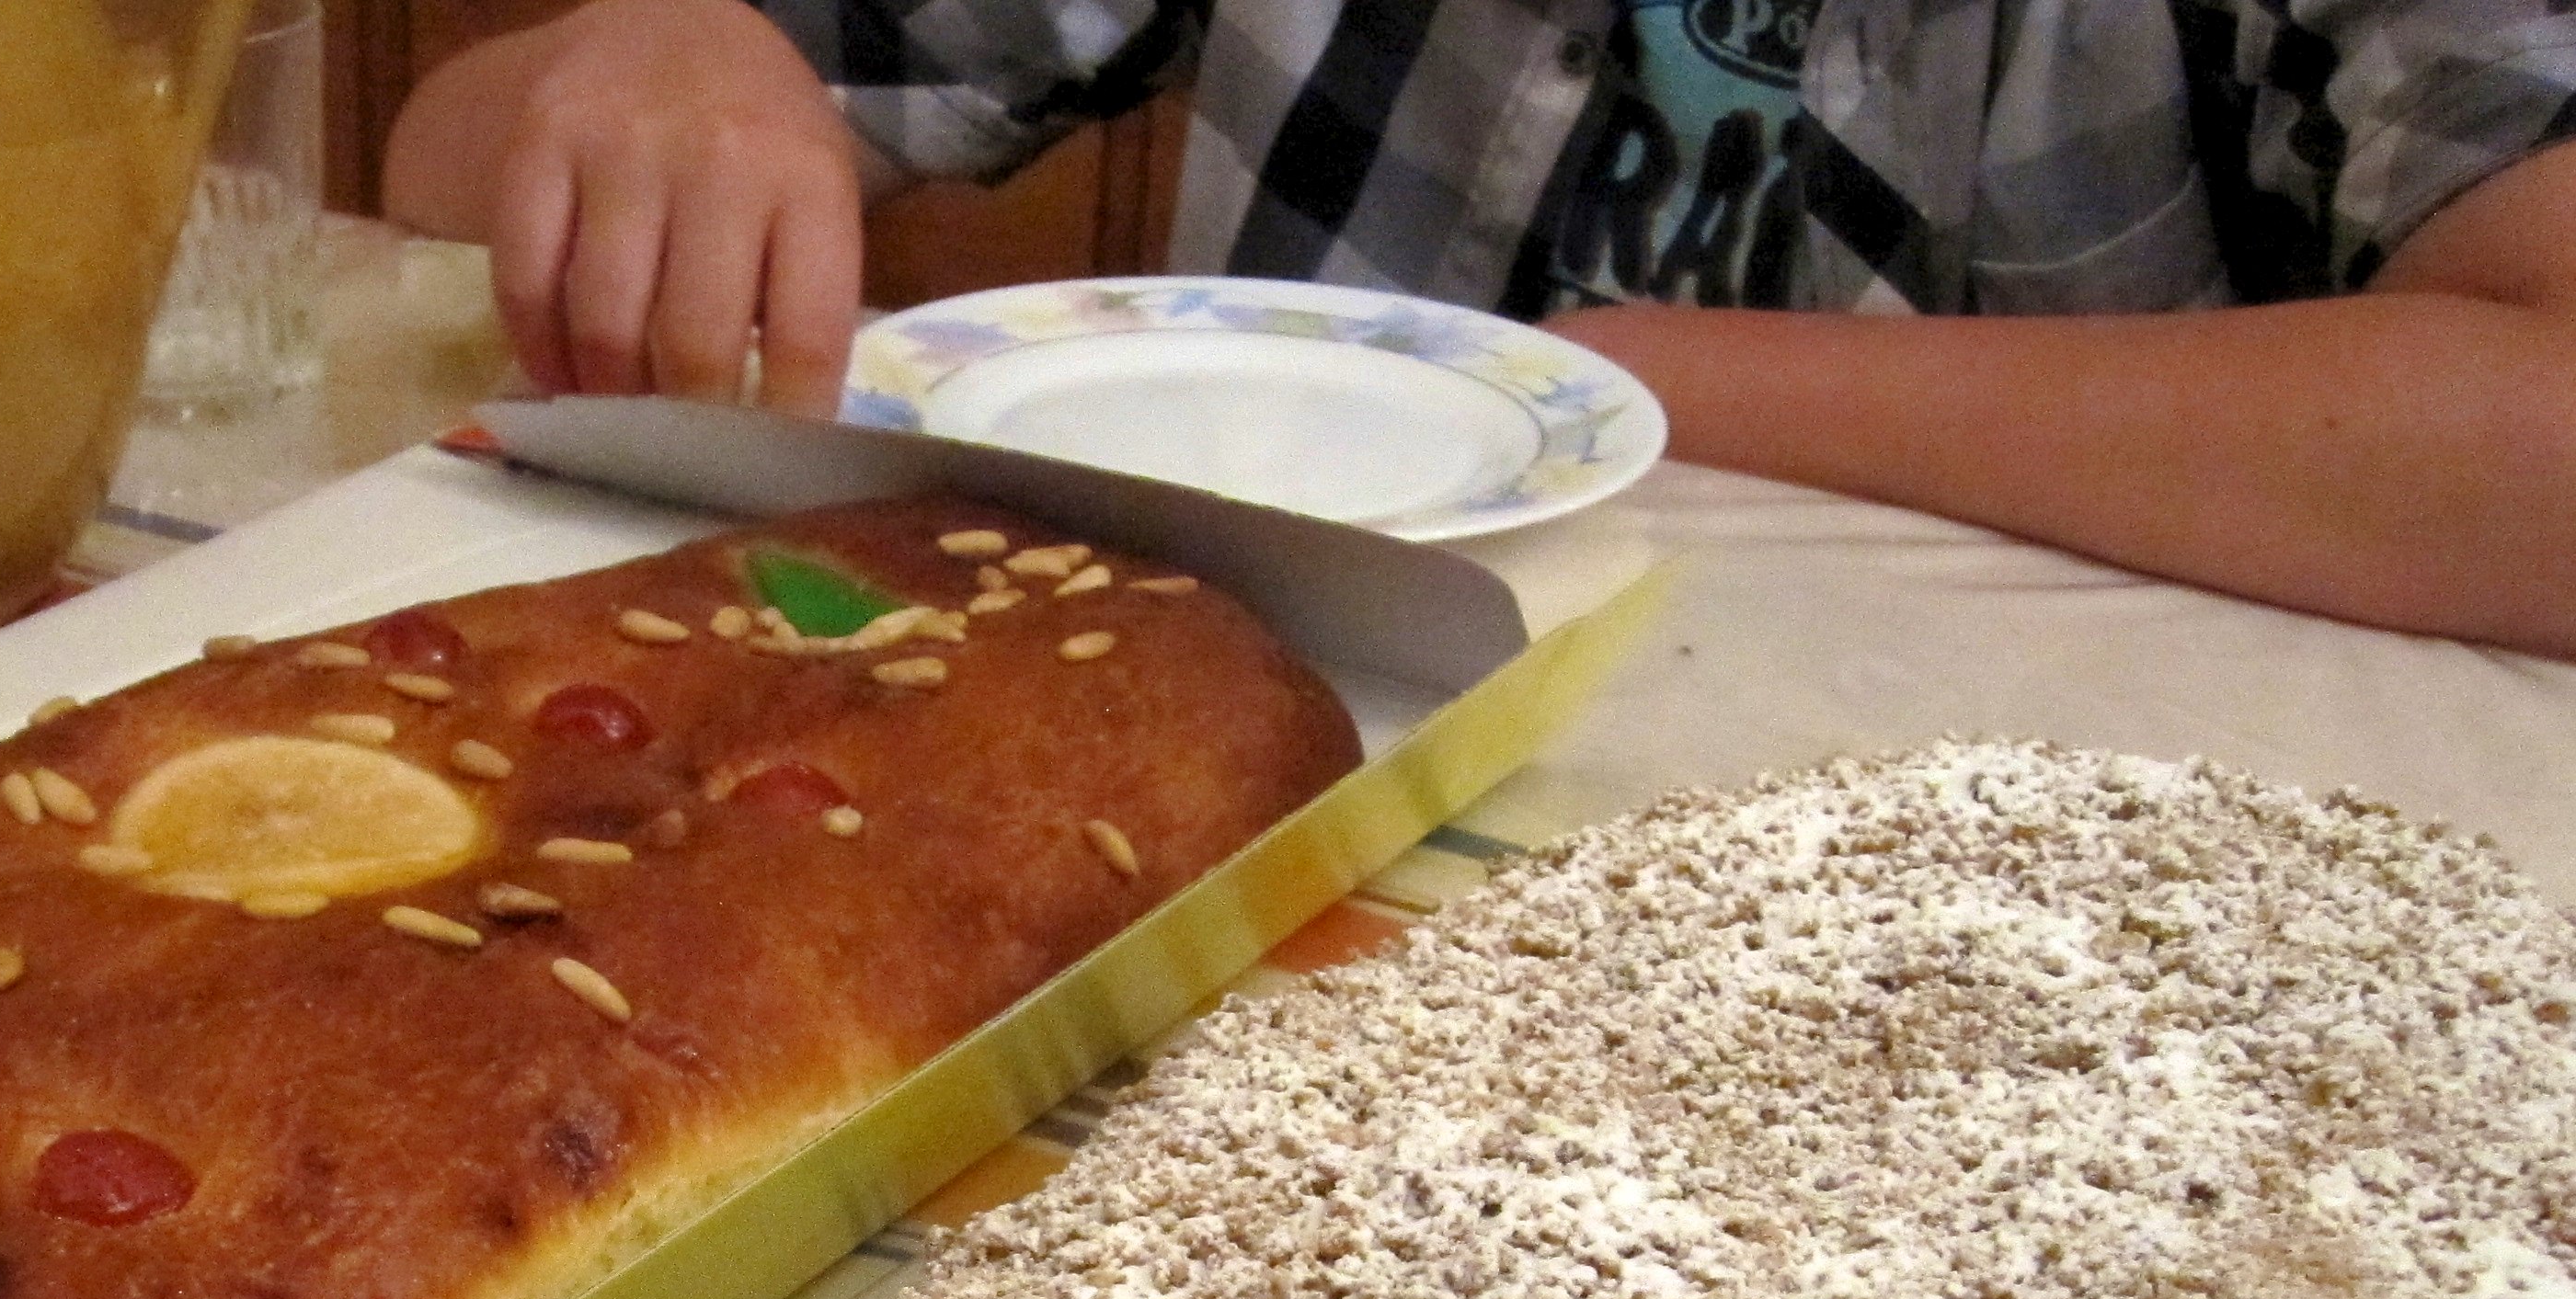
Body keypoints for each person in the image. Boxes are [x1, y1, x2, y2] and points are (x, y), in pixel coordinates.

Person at [381, 0, 2576, 653]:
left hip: (1959, 859)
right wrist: (656, 66)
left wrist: (1671, 376)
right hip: (1251, 723)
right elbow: (442, 165)